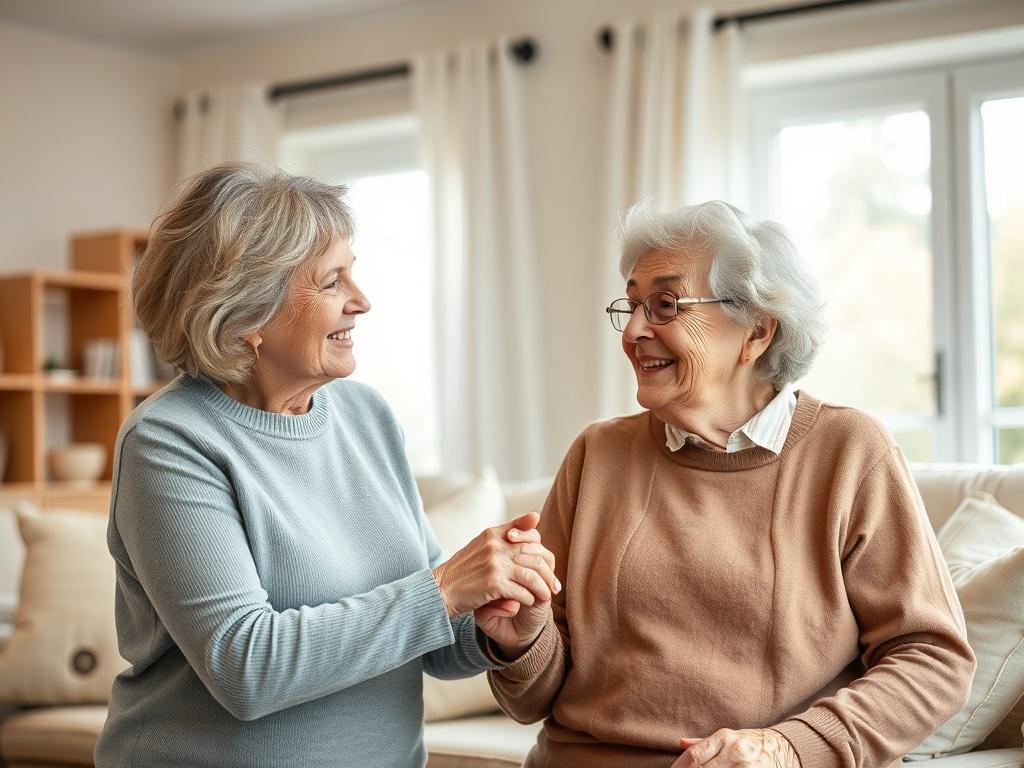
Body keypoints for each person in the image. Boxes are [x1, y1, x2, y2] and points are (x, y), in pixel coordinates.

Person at [93, 161, 558, 768]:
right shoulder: (169, 442)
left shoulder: (365, 415)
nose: (362, 302)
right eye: (332, 282)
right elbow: (245, 667)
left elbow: (423, 640)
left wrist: (494, 628)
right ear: (246, 314)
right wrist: (444, 591)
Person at [486, 200, 976, 768]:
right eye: (633, 304)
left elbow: (933, 658)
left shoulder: (849, 452)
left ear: (757, 331)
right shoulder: (597, 454)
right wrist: (521, 638)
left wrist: (789, 749)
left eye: (666, 304)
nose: (636, 330)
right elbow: (533, 700)